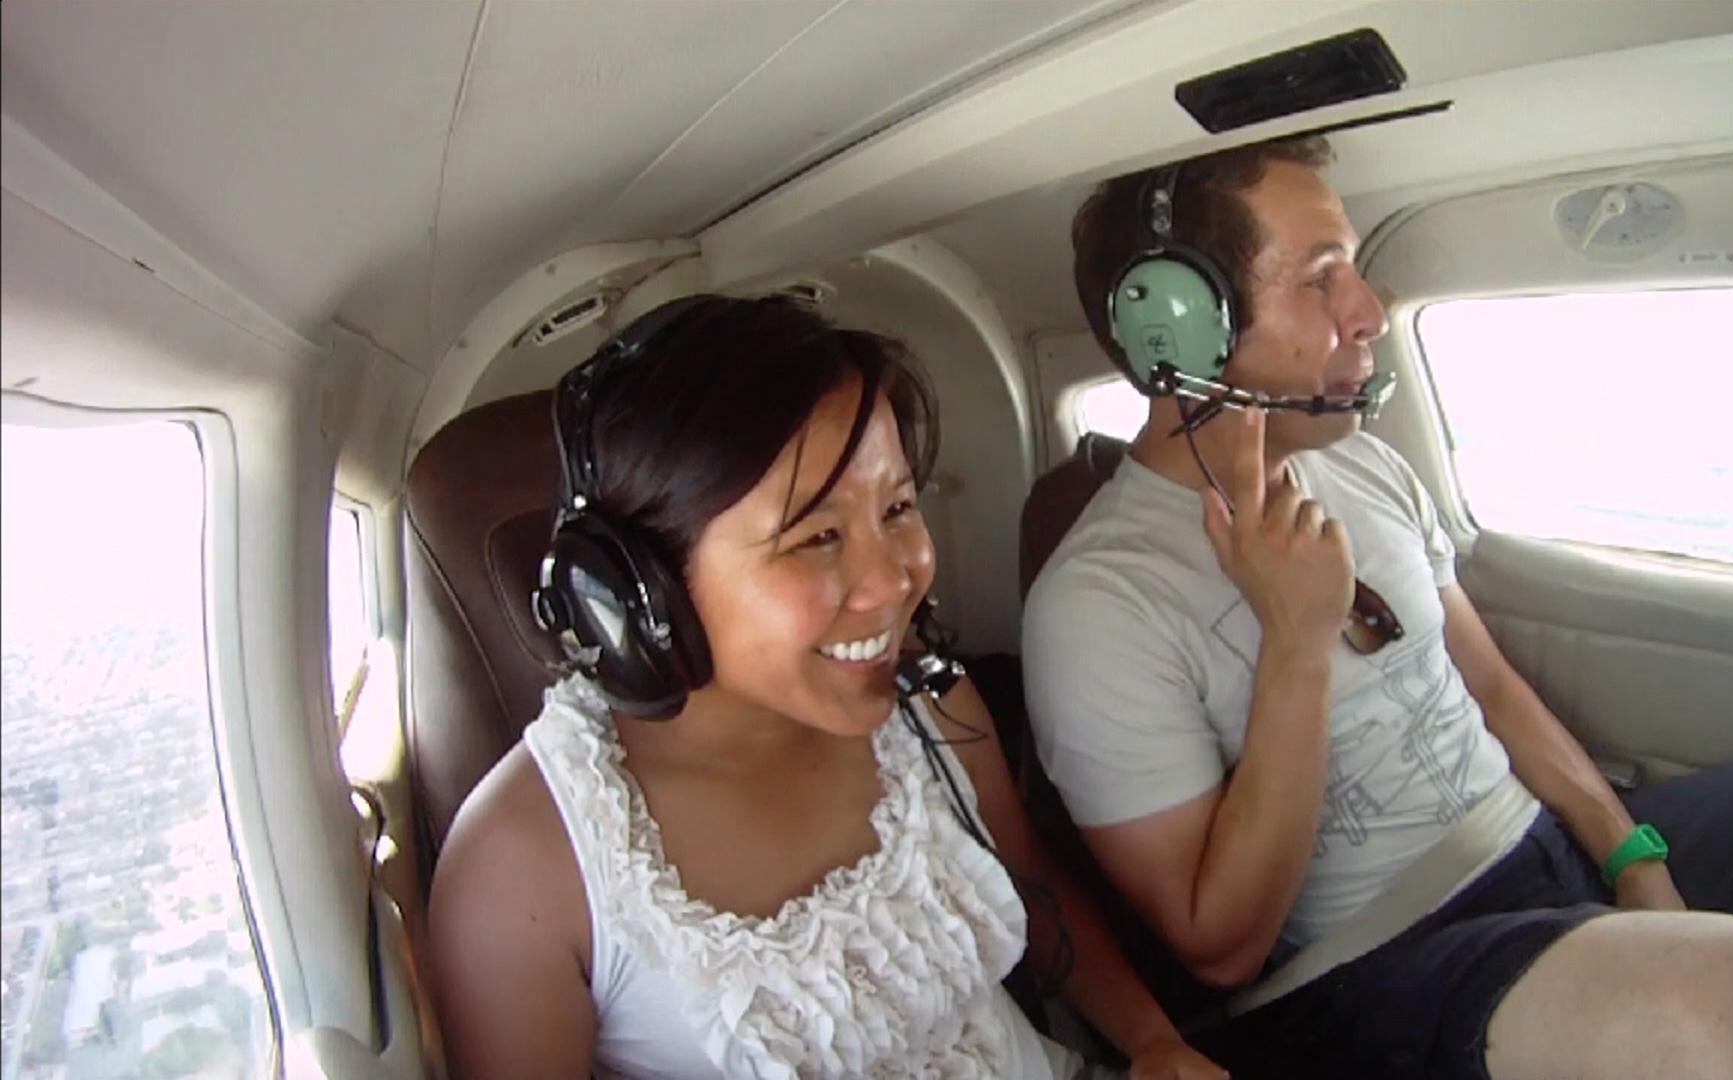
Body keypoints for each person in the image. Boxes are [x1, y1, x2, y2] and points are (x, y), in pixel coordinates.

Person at [1022, 134, 1733, 1080]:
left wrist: (1631, 857)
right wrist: (1295, 644)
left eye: (1355, 270)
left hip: (1538, 844)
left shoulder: (1360, 460)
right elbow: (1220, 947)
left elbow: (1490, 687)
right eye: (1321, 279)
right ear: (1176, 326)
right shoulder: (1097, 605)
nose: (1368, 312)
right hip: (1378, 961)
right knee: (1730, 993)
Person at [426, 294, 1228, 1080]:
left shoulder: (930, 706)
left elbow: (1034, 888)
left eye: (900, 507)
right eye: (817, 536)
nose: (893, 581)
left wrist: (1152, 1042)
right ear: (642, 591)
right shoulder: (524, 868)